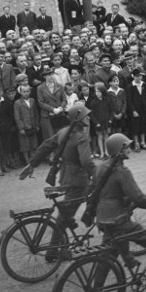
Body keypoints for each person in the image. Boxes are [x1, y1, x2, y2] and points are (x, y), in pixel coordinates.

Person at [87, 133, 146, 292]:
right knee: (139, 232)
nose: (129, 149)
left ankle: (98, 291)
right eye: (127, 146)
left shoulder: (100, 167)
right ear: (120, 151)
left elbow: (94, 189)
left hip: (103, 217)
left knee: (109, 253)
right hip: (117, 218)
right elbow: (139, 198)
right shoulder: (122, 172)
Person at [19, 103, 96, 261]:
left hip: (66, 177)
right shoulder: (82, 136)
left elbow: (46, 145)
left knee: (69, 210)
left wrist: (32, 163)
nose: (88, 117)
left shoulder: (63, 132)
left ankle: (72, 223)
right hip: (78, 181)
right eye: (85, 115)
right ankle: (53, 252)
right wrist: (96, 174)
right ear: (80, 119)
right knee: (64, 216)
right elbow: (87, 161)